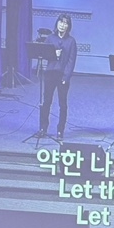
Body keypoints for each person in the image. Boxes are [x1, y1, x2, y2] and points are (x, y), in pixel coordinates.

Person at [36, 13, 78, 141]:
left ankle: (60, 130)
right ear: (57, 23)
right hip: (50, 73)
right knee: (46, 102)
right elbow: (44, 55)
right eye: (61, 22)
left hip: (62, 76)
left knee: (62, 104)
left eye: (65, 23)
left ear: (68, 26)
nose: (62, 25)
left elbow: (71, 61)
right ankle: (43, 128)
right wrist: (53, 54)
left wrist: (66, 77)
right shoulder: (50, 38)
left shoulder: (71, 41)